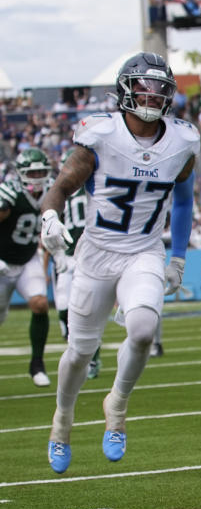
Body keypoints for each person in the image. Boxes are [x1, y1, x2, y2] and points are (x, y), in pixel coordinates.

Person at [40, 52, 199, 474]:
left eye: (159, 89)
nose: (151, 96)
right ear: (126, 90)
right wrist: (50, 216)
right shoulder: (100, 135)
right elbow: (60, 188)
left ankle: (118, 405)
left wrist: (179, 256)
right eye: (143, 87)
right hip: (95, 254)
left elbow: (183, 199)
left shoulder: (182, 140)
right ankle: (62, 421)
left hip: (144, 251)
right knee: (79, 352)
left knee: (144, 330)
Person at [0, 148, 54, 387]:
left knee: (40, 304)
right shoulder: (9, 192)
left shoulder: (52, 190)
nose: (38, 176)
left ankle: (37, 364)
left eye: (41, 171)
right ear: (21, 174)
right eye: (32, 173)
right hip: (2, 261)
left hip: (28, 257)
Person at [47, 147, 101, 380]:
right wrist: (56, 255)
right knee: (62, 307)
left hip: (89, 256)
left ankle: (93, 360)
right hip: (68, 257)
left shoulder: (96, 188)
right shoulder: (59, 192)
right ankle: (74, 343)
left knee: (87, 311)